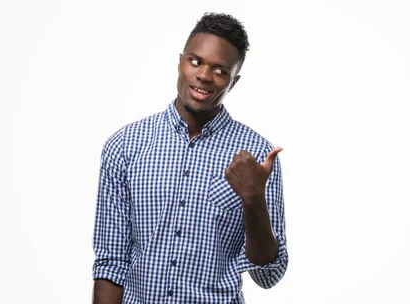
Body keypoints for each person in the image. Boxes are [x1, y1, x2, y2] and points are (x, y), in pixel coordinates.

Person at [92, 12, 288, 304]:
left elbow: (268, 275)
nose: (204, 76)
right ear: (180, 62)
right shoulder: (125, 146)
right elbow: (111, 262)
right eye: (196, 62)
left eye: (220, 71)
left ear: (233, 82)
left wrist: (254, 200)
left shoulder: (257, 156)